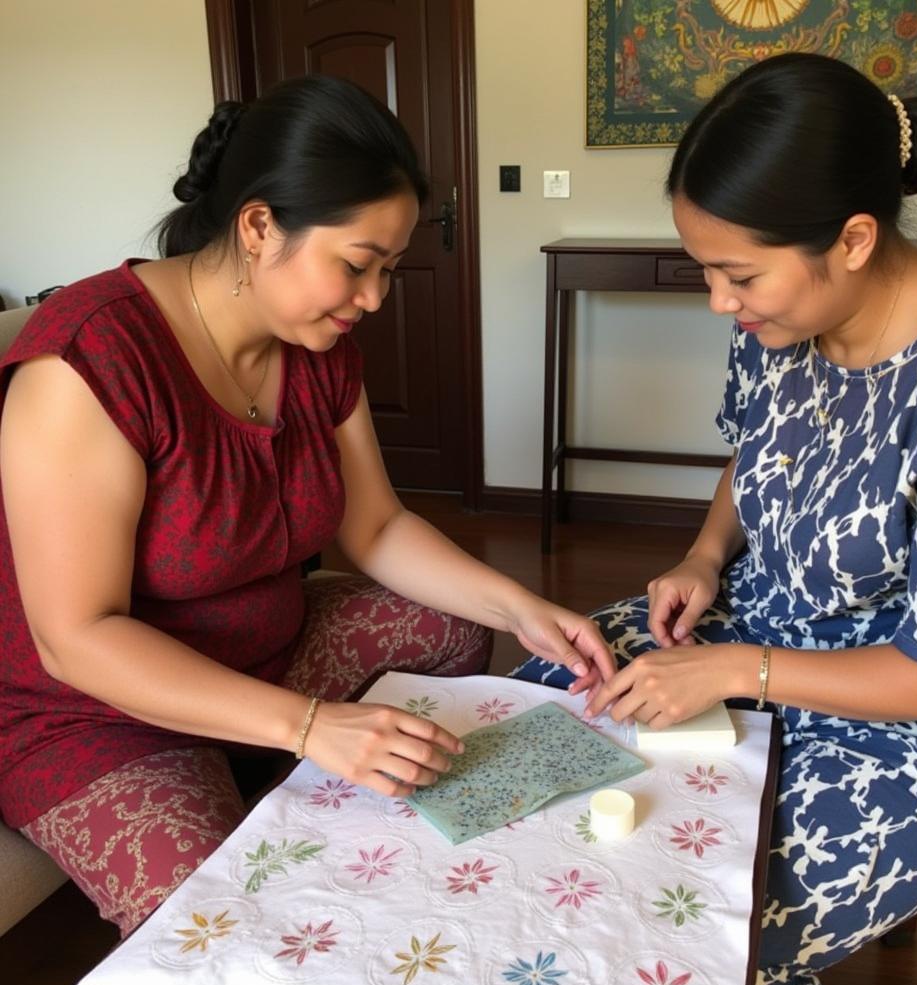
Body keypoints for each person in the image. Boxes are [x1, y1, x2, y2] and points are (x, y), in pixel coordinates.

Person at [0, 75, 614, 936]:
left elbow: (377, 527)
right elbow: (78, 638)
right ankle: (259, 770)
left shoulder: (316, 347)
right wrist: (312, 724)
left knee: (445, 629)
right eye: (358, 265)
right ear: (258, 226)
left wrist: (525, 606)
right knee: (225, 917)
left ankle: (268, 769)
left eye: (389, 270)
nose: (373, 299)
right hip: (99, 710)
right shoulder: (87, 363)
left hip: (265, 651)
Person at [515, 53, 917, 985]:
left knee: (712, 925)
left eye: (737, 273)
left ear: (855, 238)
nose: (719, 301)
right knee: (535, 719)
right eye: (708, 267)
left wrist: (733, 670)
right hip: (761, 621)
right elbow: (754, 457)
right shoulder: (780, 323)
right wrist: (703, 559)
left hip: (913, 714)